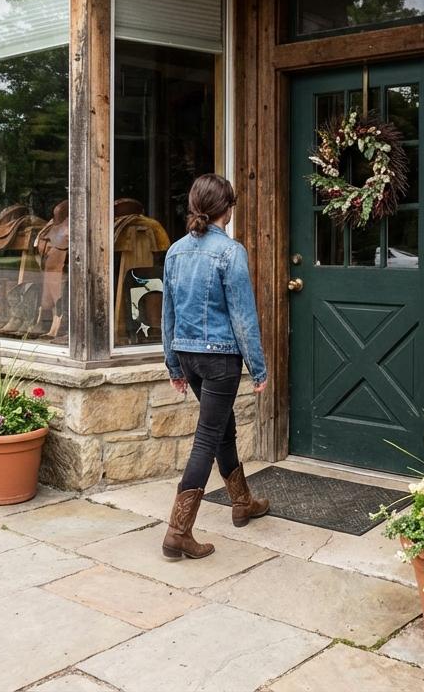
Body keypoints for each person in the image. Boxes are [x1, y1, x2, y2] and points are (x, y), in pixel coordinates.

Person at [160, 174, 269, 559]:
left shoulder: (175, 252)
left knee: (222, 428)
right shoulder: (230, 252)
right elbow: (242, 316)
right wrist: (258, 368)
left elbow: (167, 316)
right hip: (220, 358)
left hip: (189, 356)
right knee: (208, 436)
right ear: (228, 208)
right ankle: (178, 532)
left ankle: (243, 502)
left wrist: (174, 365)